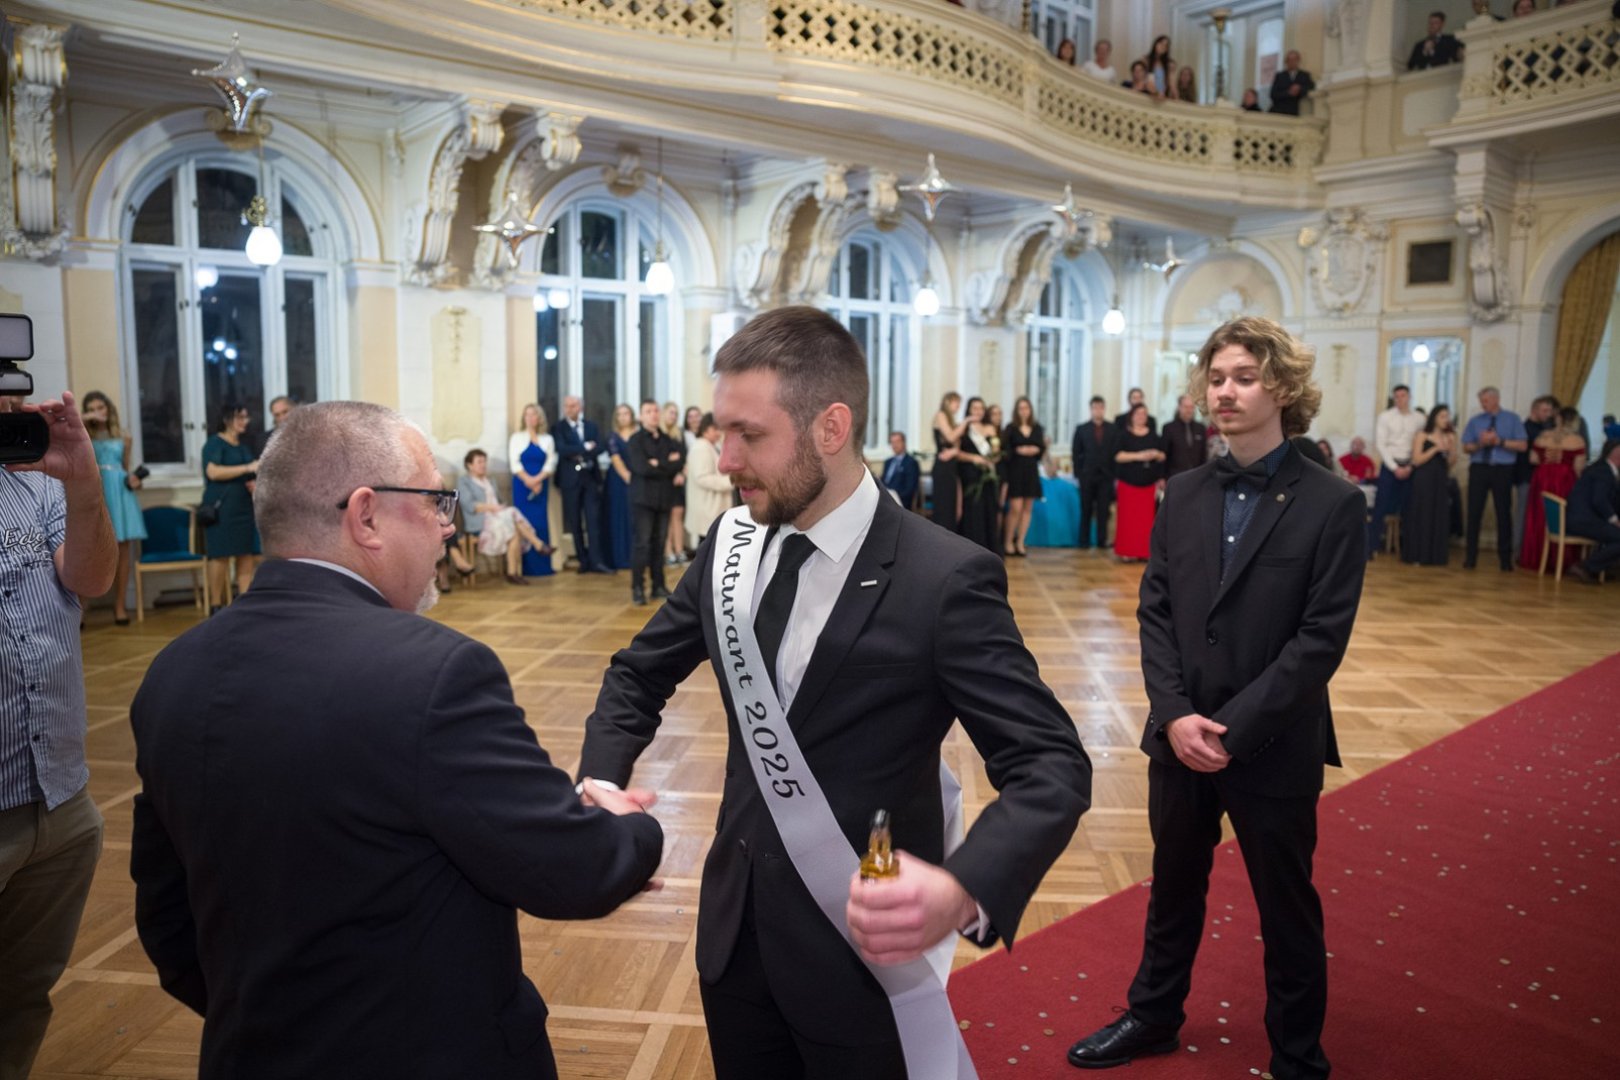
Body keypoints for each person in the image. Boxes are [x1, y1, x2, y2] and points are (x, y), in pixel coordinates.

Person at [578, 305, 1090, 1079]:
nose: (725, 458)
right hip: (735, 933)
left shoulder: (943, 578)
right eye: (721, 431)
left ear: (831, 427)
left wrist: (964, 889)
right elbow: (637, 672)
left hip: (862, 952)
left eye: (749, 435)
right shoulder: (729, 546)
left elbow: (1051, 763)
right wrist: (600, 781)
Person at [128, 401, 663, 1079]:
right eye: (436, 501)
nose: (448, 525)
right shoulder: (435, 673)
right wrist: (630, 827)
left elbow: (169, 926)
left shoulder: (174, 672)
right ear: (366, 515)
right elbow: (574, 871)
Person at [1067, 316, 1366, 1080]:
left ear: (1283, 387)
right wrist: (1173, 715)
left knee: (1285, 906)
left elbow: (1319, 642)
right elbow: (1156, 610)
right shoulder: (1186, 491)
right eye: (1218, 377)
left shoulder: (1333, 502)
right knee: (1172, 888)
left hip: (1273, 739)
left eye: (1244, 377)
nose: (1225, 391)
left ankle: (1298, 1054)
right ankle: (1154, 1014)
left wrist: (1231, 730)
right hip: (1181, 734)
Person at [0, 390, 115, 1080]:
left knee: (21, 998)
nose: (9, 399)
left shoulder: (32, 479)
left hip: (59, 800)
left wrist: (83, 480)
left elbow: (92, 577)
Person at [79, 391, 146, 625]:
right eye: (92, 409)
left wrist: (135, 480)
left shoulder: (124, 436)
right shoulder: (83, 433)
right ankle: (81, 608)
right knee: (90, 552)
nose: (98, 412)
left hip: (120, 492)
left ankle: (120, 607)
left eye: (101, 407)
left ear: (108, 408)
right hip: (97, 490)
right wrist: (86, 419)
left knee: (123, 552)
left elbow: (126, 468)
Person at [457, 449, 551, 587]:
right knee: (513, 515)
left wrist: (500, 508)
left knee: (514, 527)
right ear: (469, 465)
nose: (483, 465)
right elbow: (469, 505)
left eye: (484, 461)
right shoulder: (464, 481)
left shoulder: (491, 480)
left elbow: (501, 501)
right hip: (481, 520)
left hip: (499, 517)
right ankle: (537, 545)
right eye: (479, 462)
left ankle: (512, 573)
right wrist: (492, 508)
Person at [1461, 386, 1529, 570]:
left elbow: (1522, 445)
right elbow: (1466, 447)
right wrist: (1480, 444)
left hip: (1503, 469)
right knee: (1474, 512)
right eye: (1481, 401)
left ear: (1496, 399)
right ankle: (1470, 557)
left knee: (1503, 513)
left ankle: (1505, 560)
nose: (1483, 404)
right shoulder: (1475, 421)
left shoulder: (1512, 419)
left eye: (1486, 401)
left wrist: (1499, 441)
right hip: (1479, 468)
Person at [200, 404, 260, 611]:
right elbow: (213, 472)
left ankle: (244, 606)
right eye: (240, 417)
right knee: (220, 555)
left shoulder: (243, 446)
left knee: (245, 555)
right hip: (221, 508)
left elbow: (251, 473)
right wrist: (247, 467)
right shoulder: (214, 443)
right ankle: (215, 604)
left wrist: (253, 482)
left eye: (246, 417)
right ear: (227, 419)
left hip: (243, 507)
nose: (245, 421)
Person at [627, 399, 684, 605]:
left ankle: (658, 585)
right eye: (648, 411)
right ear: (641, 416)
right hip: (643, 499)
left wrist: (657, 463)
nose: (653, 414)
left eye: (655, 410)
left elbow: (679, 462)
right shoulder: (635, 440)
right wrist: (666, 464)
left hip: (664, 498)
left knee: (659, 544)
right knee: (642, 544)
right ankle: (638, 587)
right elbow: (641, 468)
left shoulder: (668, 440)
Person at [1520, 406, 1587, 572]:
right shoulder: (1577, 440)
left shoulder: (1543, 436)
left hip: (1542, 477)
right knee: (1561, 516)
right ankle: (1561, 560)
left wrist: (1547, 462)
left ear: (1558, 419)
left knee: (1540, 515)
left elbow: (1533, 459)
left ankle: (1537, 556)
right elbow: (1578, 467)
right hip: (1564, 480)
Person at [553, 395, 612, 574]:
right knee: (575, 522)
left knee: (593, 521)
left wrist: (580, 452)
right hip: (570, 480)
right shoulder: (558, 428)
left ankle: (596, 560)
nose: (570, 409)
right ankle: (583, 560)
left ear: (580, 408)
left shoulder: (591, 426)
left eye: (573, 405)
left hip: (590, 478)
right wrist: (585, 447)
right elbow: (562, 449)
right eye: (567, 406)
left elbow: (601, 446)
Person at [1368, 384, 1425, 559]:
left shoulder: (1420, 419)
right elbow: (1381, 444)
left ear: (1409, 397)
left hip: (1410, 466)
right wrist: (1394, 468)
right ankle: (1370, 548)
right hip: (1390, 466)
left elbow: (1421, 444)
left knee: (1410, 508)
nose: (1400, 399)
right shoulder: (1385, 417)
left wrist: (1410, 466)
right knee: (1380, 507)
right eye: (1397, 396)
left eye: (1403, 396)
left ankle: (1409, 552)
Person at [1402, 405, 1458, 566]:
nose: (1445, 419)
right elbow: (1416, 460)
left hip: (1440, 479)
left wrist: (1452, 449)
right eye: (1442, 416)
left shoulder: (1450, 436)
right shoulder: (1422, 435)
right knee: (1423, 514)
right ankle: (1418, 554)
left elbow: (1450, 463)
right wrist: (1435, 449)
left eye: (1447, 416)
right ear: (1434, 417)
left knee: (1438, 515)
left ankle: (1435, 556)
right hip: (1423, 479)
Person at [1113, 404, 1165, 562]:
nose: (1141, 416)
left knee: (1146, 522)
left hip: (1148, 483)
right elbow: (1118, 456)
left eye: (1144, 414)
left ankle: (1144, 552)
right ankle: (1127, 552)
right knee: (1127, 521)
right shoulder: (1123, 435)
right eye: (1138, 413)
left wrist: (1155, 454)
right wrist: (1139, 456)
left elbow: (1163, 456)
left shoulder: (1154, 436)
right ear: (1132, 416)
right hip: (1128, 483)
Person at [509, 403, 556, 578]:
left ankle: (543, 566)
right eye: (526, 414)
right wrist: (529, 480)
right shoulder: (516, 438)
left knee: (540, 522)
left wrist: (537, 480)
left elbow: (551, 462)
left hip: (541, 484)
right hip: (522, 484)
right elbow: (514, 463)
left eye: (533, 414)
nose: (529, 418)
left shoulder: (547, 439)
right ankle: (526, 568)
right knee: (524, 521)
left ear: (539, 418)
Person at [1567, 439, 1620, 584]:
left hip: (1582, 518)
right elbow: (1600, 500)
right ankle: (1586, 567)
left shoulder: (1600, 468)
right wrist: (1615, 520)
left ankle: (1599, 568)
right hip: (1584, 520)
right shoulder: (1604, 472)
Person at [1072, 396, 1117, 550]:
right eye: (1095, 407)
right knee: (1086, 509)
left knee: (1103, 510)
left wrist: (1113, 473)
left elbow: (1115, 452)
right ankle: (1083, 541)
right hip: (1087, 475)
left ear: (1104, 409)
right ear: (1091, 409)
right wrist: (1078, 474)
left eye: (1100, 407)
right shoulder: (1082, 429)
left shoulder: (1112, 429)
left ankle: (1101, 540)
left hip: (1106, 475)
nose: (1098, 410)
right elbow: (1076, 453)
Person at [1002, 396, 1045, 557]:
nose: (1024, 411)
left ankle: (1020, 541)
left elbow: (1041, 448)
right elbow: (1006, 450)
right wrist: (1019, 450)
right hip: (1016, 471)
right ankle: (1008, 541)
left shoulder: (1037, 427)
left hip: (1031, 471)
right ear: (1016, 410)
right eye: (1021, 408)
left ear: (1030, 410)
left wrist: (1035, 450)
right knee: (1015, 508)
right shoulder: (1011, 428)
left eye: (1026, 408)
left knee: (1027, 509)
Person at [957, 396, 1000, 553]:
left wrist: (993, 458)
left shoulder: (990, 428)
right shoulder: (963, 429)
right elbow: (957, 453)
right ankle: (972, 551)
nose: (978, 411)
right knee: (973, 513)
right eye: (974, 408)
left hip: (987, 478)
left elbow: (996, 453)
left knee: (989, 512)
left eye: (981, 408)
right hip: (970, 477)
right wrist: (975, 458)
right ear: (969, 410)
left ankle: (990, 551)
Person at [685, 412, 733, 547]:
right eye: (715, 429)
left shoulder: (713, 445)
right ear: (705, 429)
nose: (718, 433)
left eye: (719, 429)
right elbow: (702, 477)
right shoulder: (700, 447)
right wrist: (730, 481)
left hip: (714, 505)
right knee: (706, 546)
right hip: (707, 507)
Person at [604, 403, 637, 570]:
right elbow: (616, 459)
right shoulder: (612, 436)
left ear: (632, 415)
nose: (623, 417)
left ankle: (636, 558)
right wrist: (629, 478)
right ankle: (620, 558)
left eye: (626, 413)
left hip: (638, 478)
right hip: (617, 482)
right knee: (618, 517)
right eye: (619, 414)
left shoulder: (638, 435)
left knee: (634, 518)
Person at [931, 393, 965, 531]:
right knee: (944, 507)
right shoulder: (941, 415)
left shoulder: (953, 422)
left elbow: (957, 446)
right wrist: (966, 421)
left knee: (954, 508)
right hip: (943, 467)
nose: (958, 406)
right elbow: (951, 437)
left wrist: (954, 451)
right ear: (948, 402)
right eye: (956, 402)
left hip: (952, 467)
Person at [663, 401, 690, 567]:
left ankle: (679, 551)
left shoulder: (679, 434)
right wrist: (671, 460)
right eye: (671, 412)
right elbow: (660, 460)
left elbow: (684, 458)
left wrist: (681, 474)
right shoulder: (659, 434)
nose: (673, 416)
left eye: (676, 413)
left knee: (678, 515)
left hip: (678, 481)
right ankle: (668, 552)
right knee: (666, 518)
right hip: (663, 481)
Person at [1162, 394, 1207, 479]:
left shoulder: (1201, 428)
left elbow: (1203, 454)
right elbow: (1164, 454)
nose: (1189, 410)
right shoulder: (1169, 428)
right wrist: (1162, 477)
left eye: (1191, 407)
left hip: (1196, 476)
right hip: (1175, 476)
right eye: (1186, 407)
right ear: (1179, 408)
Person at [880, 430, 920, 509]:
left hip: (900, 502)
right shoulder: (888, 462)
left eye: (897, 442)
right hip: (884, 499)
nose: (894, 445)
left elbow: (910, 489)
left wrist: (892, 498)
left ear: (904, 443)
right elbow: (883, 482)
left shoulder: (911, 463)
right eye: (892, 442)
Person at [1269, 50, 1315, 116]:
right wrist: (1288, 93)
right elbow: (1273, 94)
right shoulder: (1280, 76)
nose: (1292, 62)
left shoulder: (1304, 75)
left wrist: (1299, 88)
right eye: (1289, 60)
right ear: (1286, 62)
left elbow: (1311, 87)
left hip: (1296, 111)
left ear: (1298, 61)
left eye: (1294, 60)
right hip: (1279, 110)